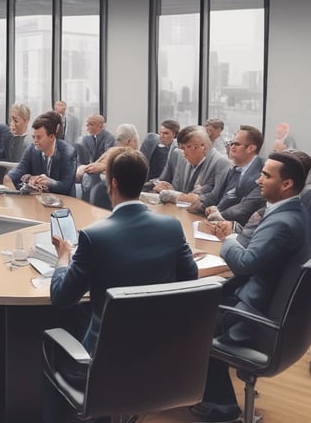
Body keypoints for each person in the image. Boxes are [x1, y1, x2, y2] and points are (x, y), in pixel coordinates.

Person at [45, 147, 197, 423]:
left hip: (106, 361)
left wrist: (64, 257)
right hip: (160, 350)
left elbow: (61, 297)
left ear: (112, 183)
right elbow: (190, 281)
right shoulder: (172, 228)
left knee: (51, 351)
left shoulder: (93, 237)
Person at [195, 151, 310, 423]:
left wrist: (230, 240)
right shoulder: (293, 211)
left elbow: (245, 263)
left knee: (187, 318)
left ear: (287, 185)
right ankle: (206, 395)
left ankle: (222, 408)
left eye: (266, 175)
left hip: (251, 313)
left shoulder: (283, 222)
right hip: (259, 300)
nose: (259, 180)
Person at [197, 125, 265, 226]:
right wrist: (201, 203)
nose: (231, 147)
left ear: (251, 148)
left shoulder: (262, 174)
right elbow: (217, 195)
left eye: (236, 144)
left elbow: (245, 207)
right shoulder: (234, 169)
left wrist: (219, 213)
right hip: (216, 223)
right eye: (231, 143)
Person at [153, 125, 229, 205]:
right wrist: (170, 189)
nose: (183, 153)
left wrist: (174, 195)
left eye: (186, 148)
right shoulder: (180, 157)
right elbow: (180, 191)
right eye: (181, 148)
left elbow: (214, 198)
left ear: (203, 147)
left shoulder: (221, 163)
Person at [4, 111, 77, 195]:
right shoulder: (31, 149)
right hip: (38, 201)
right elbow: (18, 173)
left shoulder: (68, 152)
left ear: (51, 137)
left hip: (64, 202)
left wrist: (48, 182)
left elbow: (66, 186)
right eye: (34, 137)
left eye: (39, 137)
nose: (35, 141)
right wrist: (27, 181)